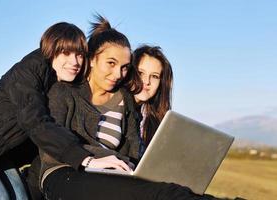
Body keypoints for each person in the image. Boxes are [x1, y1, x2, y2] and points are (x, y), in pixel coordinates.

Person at [39, 14, 216, 200]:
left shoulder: (124, 100)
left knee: (173, 190)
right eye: (111, 63)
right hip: (64, 173)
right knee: (162, 194)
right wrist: (103, 159)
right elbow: (52, 145)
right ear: (91, 59)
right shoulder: (63, 92)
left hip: (110, 176)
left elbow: (132, 151)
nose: (118, 74)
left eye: (124, 67)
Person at [0, 22, 88, 199]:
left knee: (21, 197)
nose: (74, 62)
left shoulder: (58, 82)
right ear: (51, 49)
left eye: (80, 55)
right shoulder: (29, 70)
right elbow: (35, 121)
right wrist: (81, 157)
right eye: (66, 53)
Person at [132, 45, 173, 151]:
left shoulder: (151, 121)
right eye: (141, 73)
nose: (147, 81)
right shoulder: (114, 109)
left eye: (154, 76)